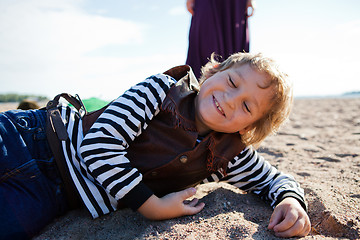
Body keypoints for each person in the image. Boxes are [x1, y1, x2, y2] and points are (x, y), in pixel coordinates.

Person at [0, 52, 311, 239]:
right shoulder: (162, 89)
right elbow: (98, 146)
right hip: (35, 138)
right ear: (215, 72)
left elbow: (272, 179)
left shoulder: (228, 155)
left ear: (249, 128)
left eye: (246, 107)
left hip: (53, 196)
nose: (230, 100)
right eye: (231, 83)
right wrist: (153, 206)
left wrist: (291, 202)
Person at [186, 0, 255, 79]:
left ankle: (232, 85)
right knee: (205, 40)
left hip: (235, 3)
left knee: (235, 52)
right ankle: (200, 86)